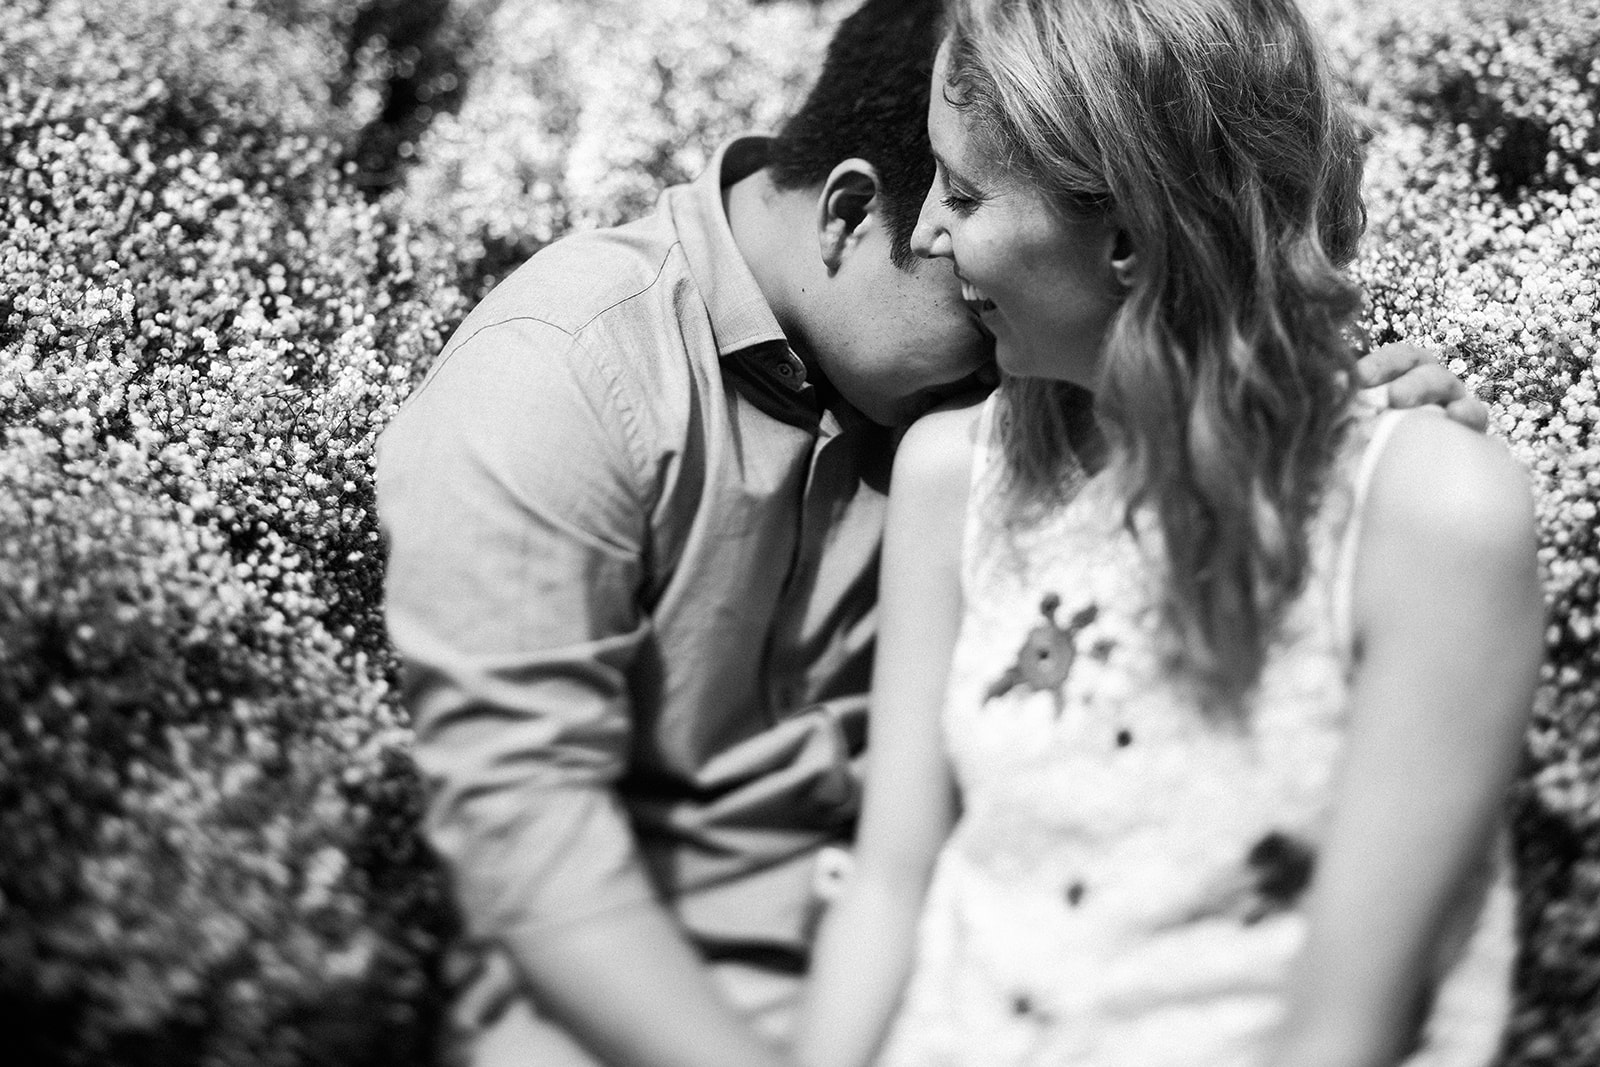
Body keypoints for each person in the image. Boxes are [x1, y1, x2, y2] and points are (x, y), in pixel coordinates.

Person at [375, 1, 1489, 1064]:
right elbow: (536, 850)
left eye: (967, 203)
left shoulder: (1027, 371)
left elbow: (1202, 371)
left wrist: (1376, 430)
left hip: (951, 981)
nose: (945, 245)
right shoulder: (561, 377)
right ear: (852, 214)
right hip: (653, 1015)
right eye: (939, 212)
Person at [794, 1, 1543, 1065]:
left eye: (963, 194)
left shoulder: (1426, 516)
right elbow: (891, 886)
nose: (924, 233)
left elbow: (1342, 1032)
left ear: (1132, 239)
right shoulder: (952, 477)